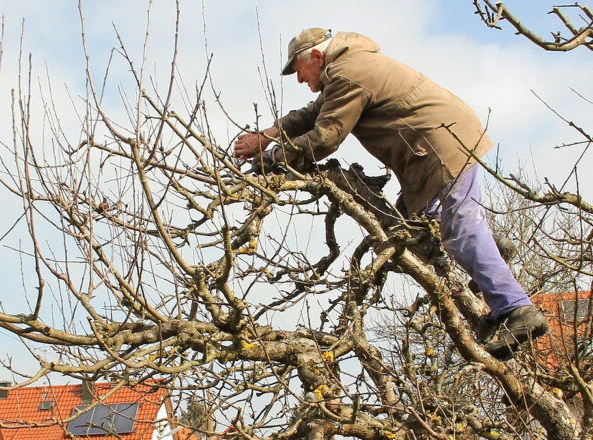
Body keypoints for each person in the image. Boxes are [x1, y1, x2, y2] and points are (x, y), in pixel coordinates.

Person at [234, 28, 548, 360]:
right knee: (410, 225)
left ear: (316, 57)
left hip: (438, 147)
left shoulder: (347, 74)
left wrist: (273, 158)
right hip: (432, 147)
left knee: (461, 230)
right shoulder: (346, 68)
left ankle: (518, 309)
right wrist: (267, 135)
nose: (298, 79)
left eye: (297, 70)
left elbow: (325, 138)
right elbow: (311, 115)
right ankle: (492, 252)